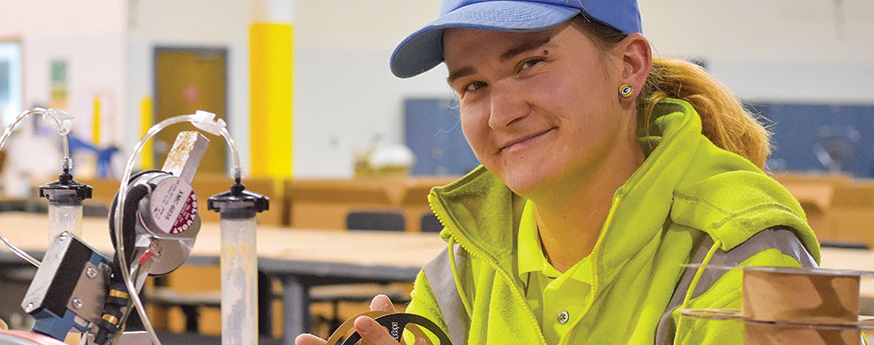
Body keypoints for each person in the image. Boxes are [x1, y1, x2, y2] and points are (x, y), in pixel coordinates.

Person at [297, 1, 820, 344]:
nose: (501, 115)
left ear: (629, 67)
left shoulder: (749, 252)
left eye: (530, 63)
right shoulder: (464, 268)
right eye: (472, 86)